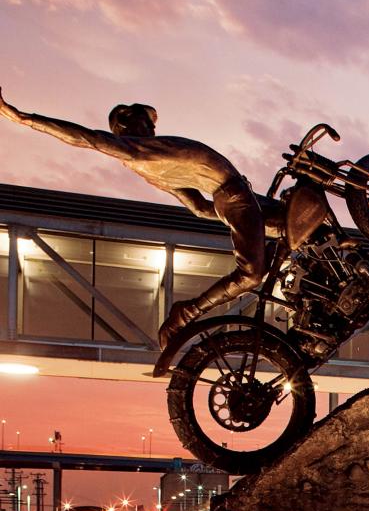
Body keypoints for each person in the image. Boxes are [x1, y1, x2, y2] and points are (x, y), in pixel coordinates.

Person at [0, 88, 271, 347]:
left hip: (244, 199)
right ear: (124, 127)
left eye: (150, 123)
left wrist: (245, 222)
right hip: (237, 198)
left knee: (307, 225)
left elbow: (199, 208)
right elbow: (84, 137)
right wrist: (21, 117)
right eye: (144, 120)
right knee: (251, 275)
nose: (151, 128)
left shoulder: (156, 157)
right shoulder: (136, 152)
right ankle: (187, 312)